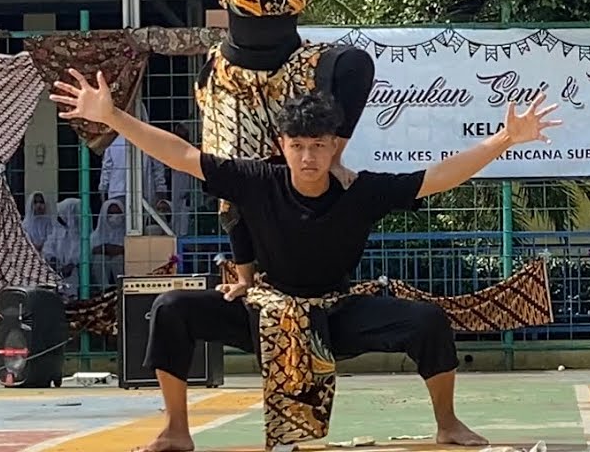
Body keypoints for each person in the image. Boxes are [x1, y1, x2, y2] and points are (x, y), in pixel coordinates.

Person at [50, 69, 561, 452]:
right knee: (172, 309)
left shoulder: (360, 193)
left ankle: (448, 423)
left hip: (336, 316)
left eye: (319, 146)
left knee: (426, 319)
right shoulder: (256, 180)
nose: (309, 157)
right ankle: (176, 430)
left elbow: (438, 177)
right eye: (298, 146)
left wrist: (504, 140)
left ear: (335, 145)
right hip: (266, 310)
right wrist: (113, 116)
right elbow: (181, 155)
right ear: (283, 146)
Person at [74, 0, 432, 239]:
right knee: (235, 182)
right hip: (236, 81)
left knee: (354, 64)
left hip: (292, 69)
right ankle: (243, 273)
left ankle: (335, 159)